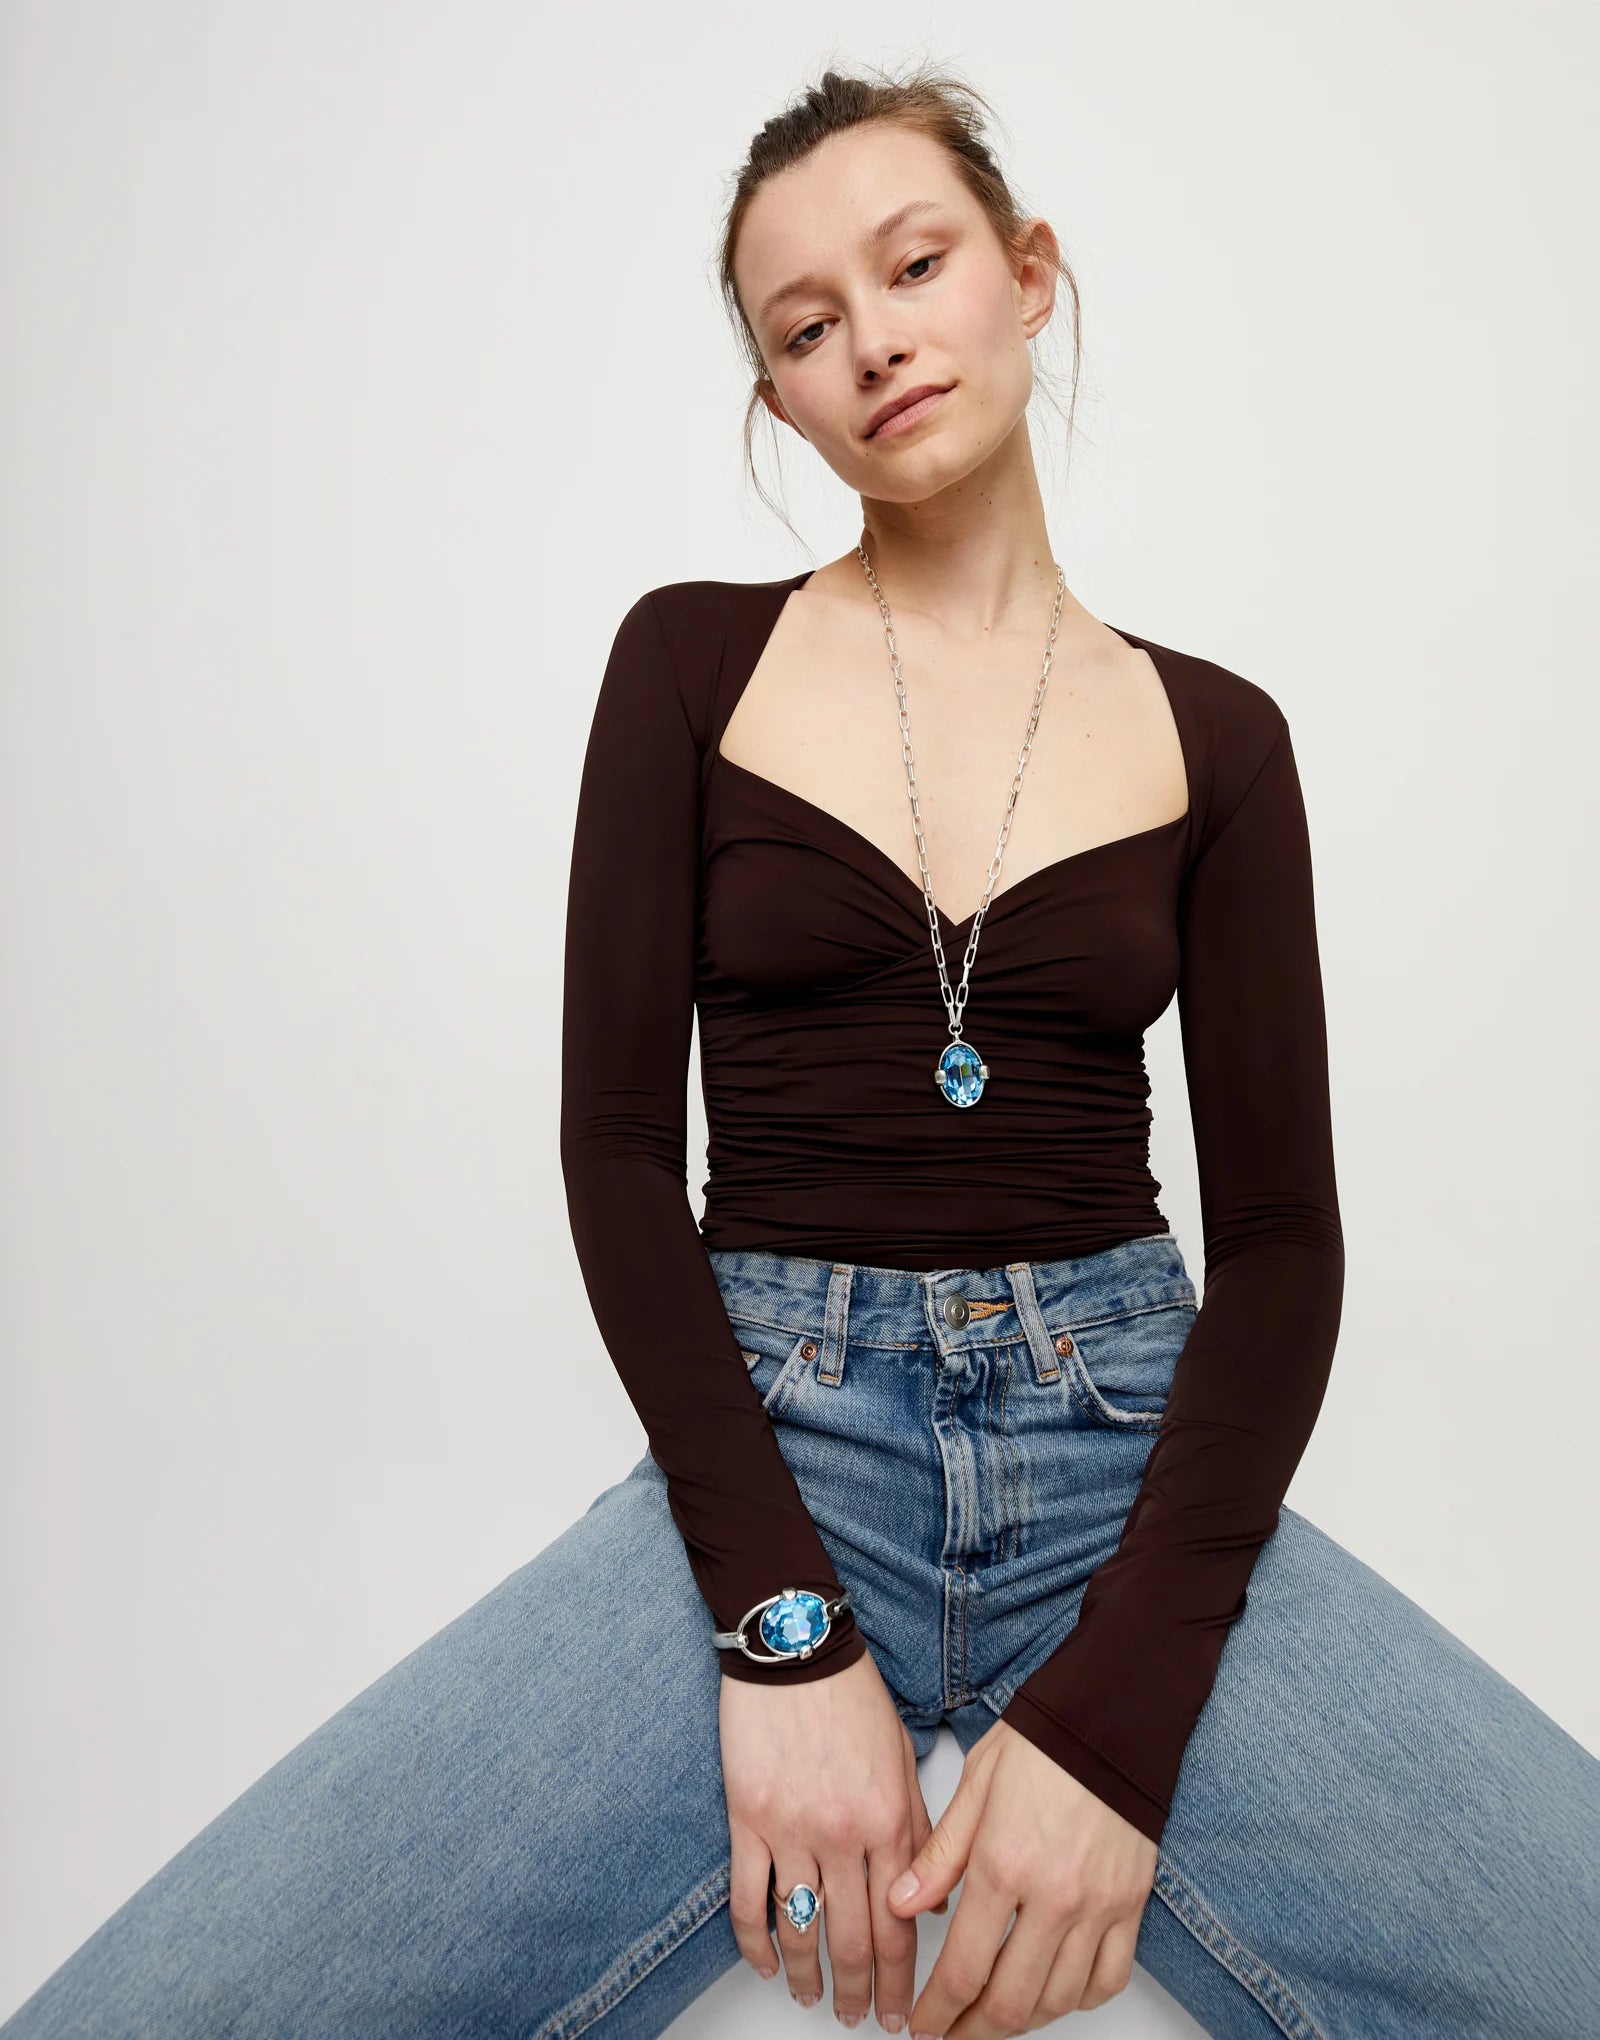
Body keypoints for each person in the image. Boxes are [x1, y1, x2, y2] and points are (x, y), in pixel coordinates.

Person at [5, 59, 1597, 2040]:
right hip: (776, 1433)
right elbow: (613, 1151)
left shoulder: (1220, 737)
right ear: (779, 399)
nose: (875, 342)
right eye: (805, 325)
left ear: (1028, 273)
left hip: (1123, 1441)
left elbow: (1282, 1246)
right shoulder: (692, 660)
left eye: (914, 266)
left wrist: (1119, 1718)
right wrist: (777, 1629)